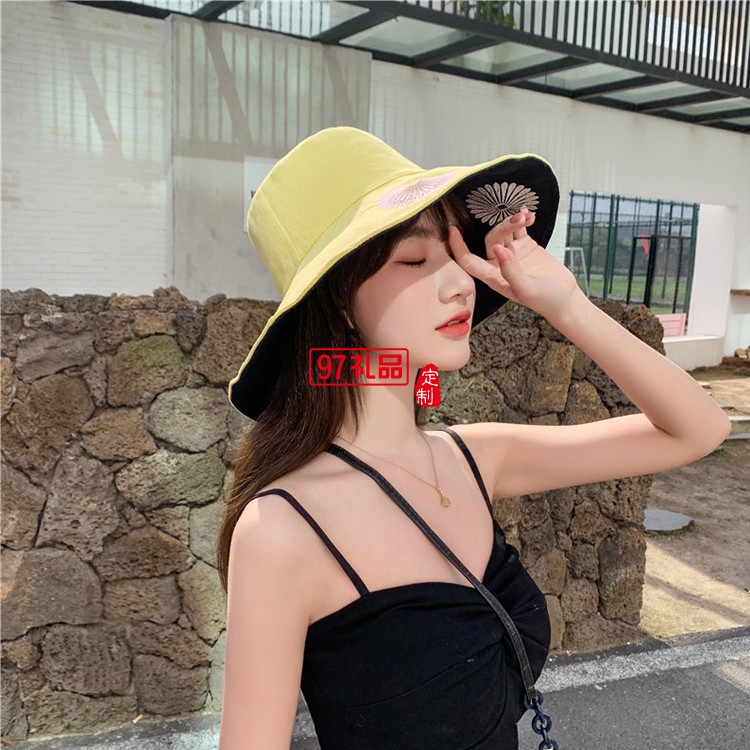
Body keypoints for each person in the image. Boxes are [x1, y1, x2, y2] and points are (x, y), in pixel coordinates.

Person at [216, 127, 730, 750]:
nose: (461, 283)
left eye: (456, 254)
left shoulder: (473, 457)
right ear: (340, 304)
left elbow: (699, 429)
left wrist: (566, 305)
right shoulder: (281, 529)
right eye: (414, 259)